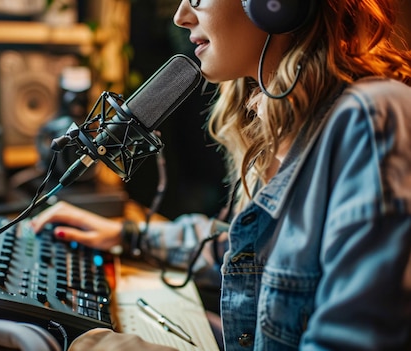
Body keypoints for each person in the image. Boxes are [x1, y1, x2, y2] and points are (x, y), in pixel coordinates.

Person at [31, 0, 411, 350]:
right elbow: (244, 252)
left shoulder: (371, 120)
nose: (181, 16)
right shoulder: (288, 121)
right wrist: (127, 235)